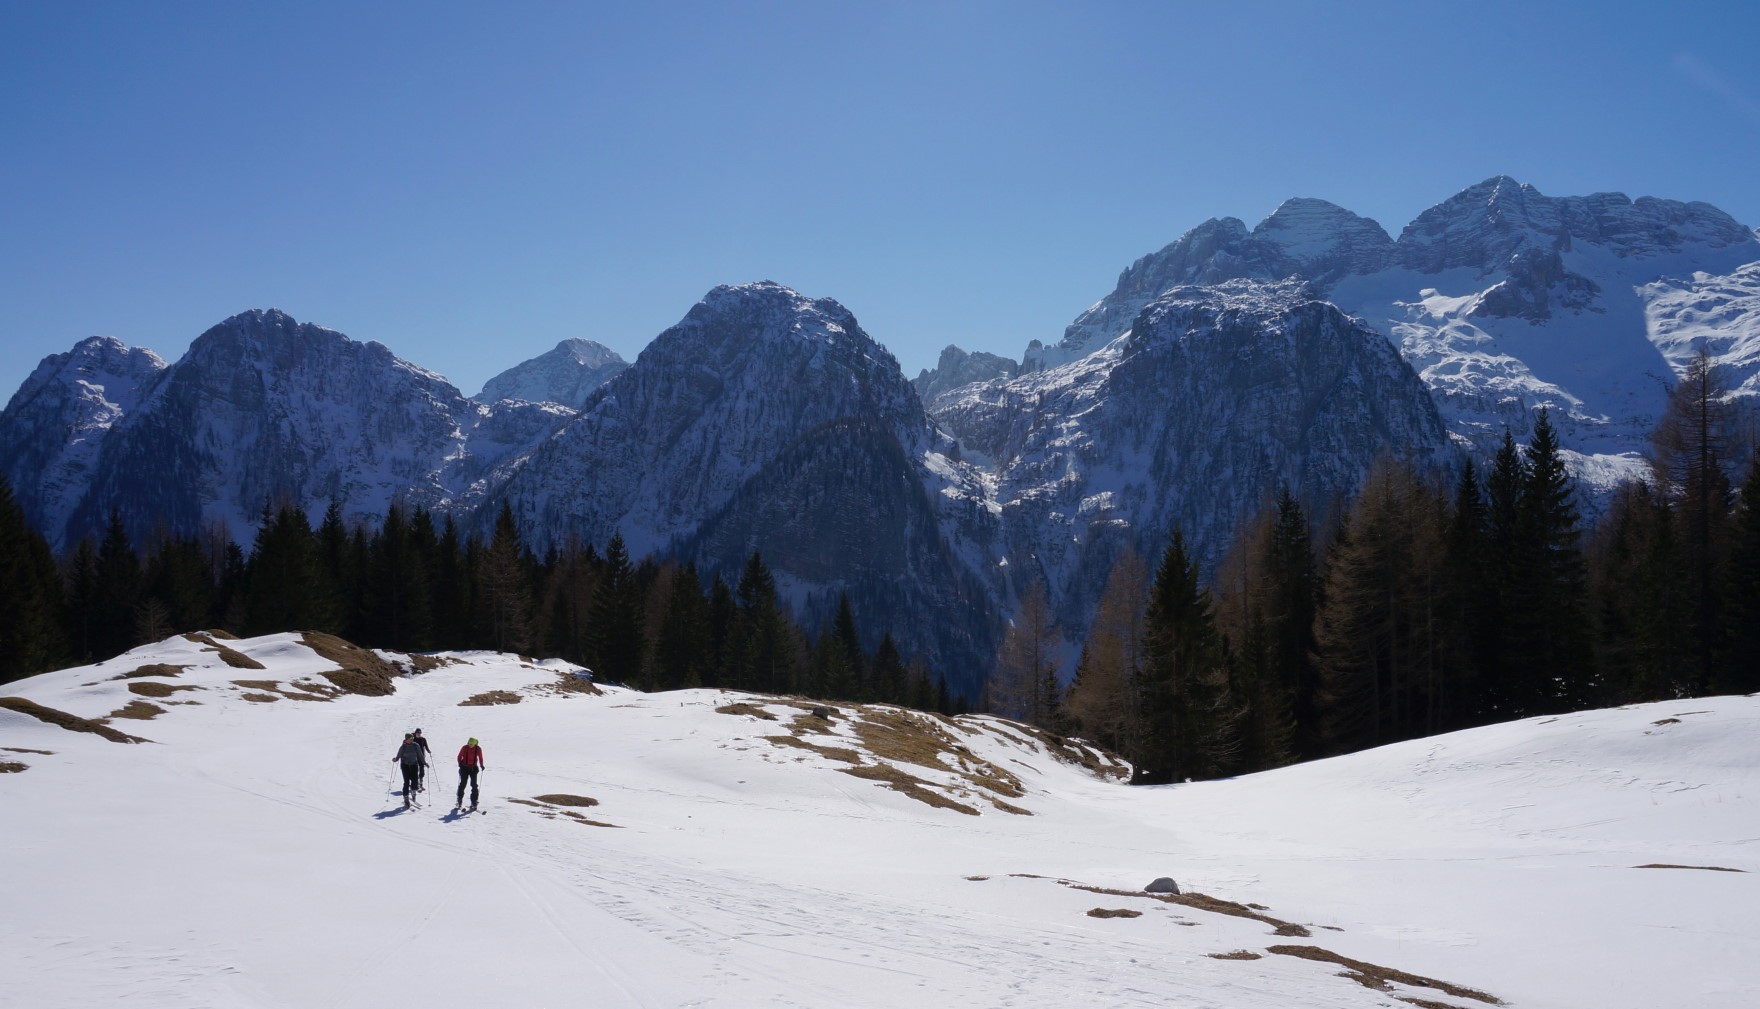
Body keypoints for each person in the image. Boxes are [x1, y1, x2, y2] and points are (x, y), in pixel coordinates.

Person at [392, 733, 426, 807]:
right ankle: (406, 798)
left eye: (412, 739)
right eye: (410, 739)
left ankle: (413, 793)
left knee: (415, 781)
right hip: (405, 765)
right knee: (406, 782)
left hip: (414, 765)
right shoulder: (403, 747)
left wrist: (424, 763)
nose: (411, 740)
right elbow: (398, 756)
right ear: (406, 739)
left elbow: (420, 755)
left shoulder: (416, 745)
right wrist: (395, 759)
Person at [456, 737, 485, 809]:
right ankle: (459, 799)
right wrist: (460, 763)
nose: (470, 745)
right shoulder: (464, 748)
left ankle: (474, 800)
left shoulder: (478, 749)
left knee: (474, 785)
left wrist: (481, 765)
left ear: (475, 744)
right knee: (463, 784)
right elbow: (459, 756)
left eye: (471, 744)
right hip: (464, 768)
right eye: (469, 743)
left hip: (473, 768)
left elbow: (480, 757)